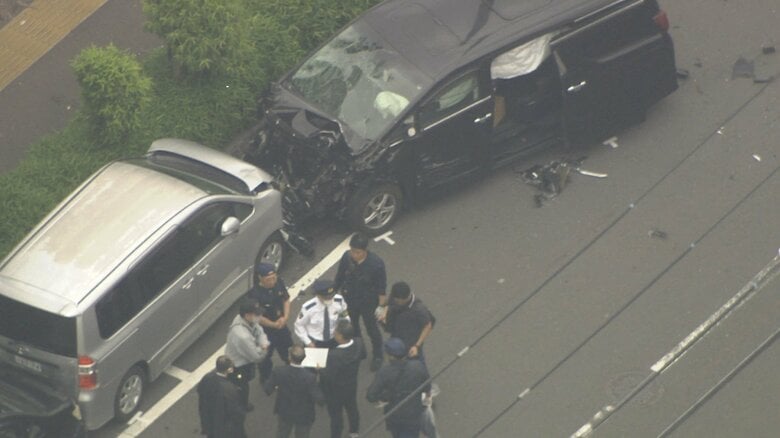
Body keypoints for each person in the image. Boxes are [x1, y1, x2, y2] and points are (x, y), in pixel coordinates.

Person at [334, 232, 387, 371]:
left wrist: (381, 307)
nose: (354, 255)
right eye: (352, 250)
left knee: (372, 329)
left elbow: (382, 289)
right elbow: (339, 277)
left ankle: (378, 355)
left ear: (365, 250)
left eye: (357, 252)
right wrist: (332, 294)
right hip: (350, 300)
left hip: (368, 303)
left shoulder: (376, 265)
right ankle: (360, 349)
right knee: (353, 327)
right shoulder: (347, 258)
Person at [367, 338, 431, 438]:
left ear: (390, 356)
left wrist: (383, 397)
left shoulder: (384, 372)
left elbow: (370, 396)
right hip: (414, 412)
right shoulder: (417, 366)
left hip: (394, 413)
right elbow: (427, 385)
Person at [263, 345, 325, 438]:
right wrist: (320, 372)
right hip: (304, 414)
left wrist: (277, 386)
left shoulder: (278, 371)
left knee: (282, 433)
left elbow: (267, 389)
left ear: (289, 357)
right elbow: (319, 399)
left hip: (285, 411)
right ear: (304, 358)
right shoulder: (310, 377)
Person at [248, 262, 293, 383]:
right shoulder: (254, 295)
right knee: (264, 357)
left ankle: (292, 370)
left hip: (281, 326)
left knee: (288, 350)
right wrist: (273, 324)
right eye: (268, 279)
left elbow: (286, 300)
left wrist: (285, 317)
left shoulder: (279, 283)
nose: (272, 281)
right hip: (265, 332)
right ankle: (266, 378)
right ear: (260, 278)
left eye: (274, 277)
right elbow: (257, 317)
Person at [320, 320, 366, 438]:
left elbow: (327, 375)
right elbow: (363, 354)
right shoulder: (358, 343)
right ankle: (354, 431)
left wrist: (319, 369)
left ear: (340, 336)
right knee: (352, 408)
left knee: (336, 416)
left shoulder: (334, 356)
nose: (334, 333)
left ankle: (336, 435)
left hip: (335, 390)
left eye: (335, 331)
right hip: (351, 385)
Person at [225, 299, 269, 410]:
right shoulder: (242, 336)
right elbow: (255, 356)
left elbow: (259, 331)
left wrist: (263, 342)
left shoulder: (244, 320)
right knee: (242, 386)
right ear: (247, 315)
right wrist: (263, 349)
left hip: (239, 359)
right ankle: (242, 405)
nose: (259, 316)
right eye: (257, 314)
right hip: (238, 366)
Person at [381, 282, 434, 366]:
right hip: (397, 333)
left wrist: (417, 346)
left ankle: (422, 373)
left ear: (404, 299)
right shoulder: (395, 297)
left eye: (398, 301)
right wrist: (384, 311)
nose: (396, 302)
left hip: (412, 340)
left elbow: (428, 325)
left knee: (416, 359)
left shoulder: (419, 309)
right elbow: (388, 302)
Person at [197, 355, 247, 438]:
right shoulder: (229, 388)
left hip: (208, 418)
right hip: (225, 425)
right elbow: (234, 410)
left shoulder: (207, 377)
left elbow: (200, 391)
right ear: (229, 369)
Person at [294, 279, 349, 349]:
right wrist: (308, 342)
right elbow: (299, 325)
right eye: (326, 297)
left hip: (334, 338)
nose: (329, 299)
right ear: (318, 295)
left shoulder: (339, 300)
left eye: (331, 296)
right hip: (316, 342)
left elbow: (344, 314)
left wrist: (344, 328)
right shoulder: (308, 308)